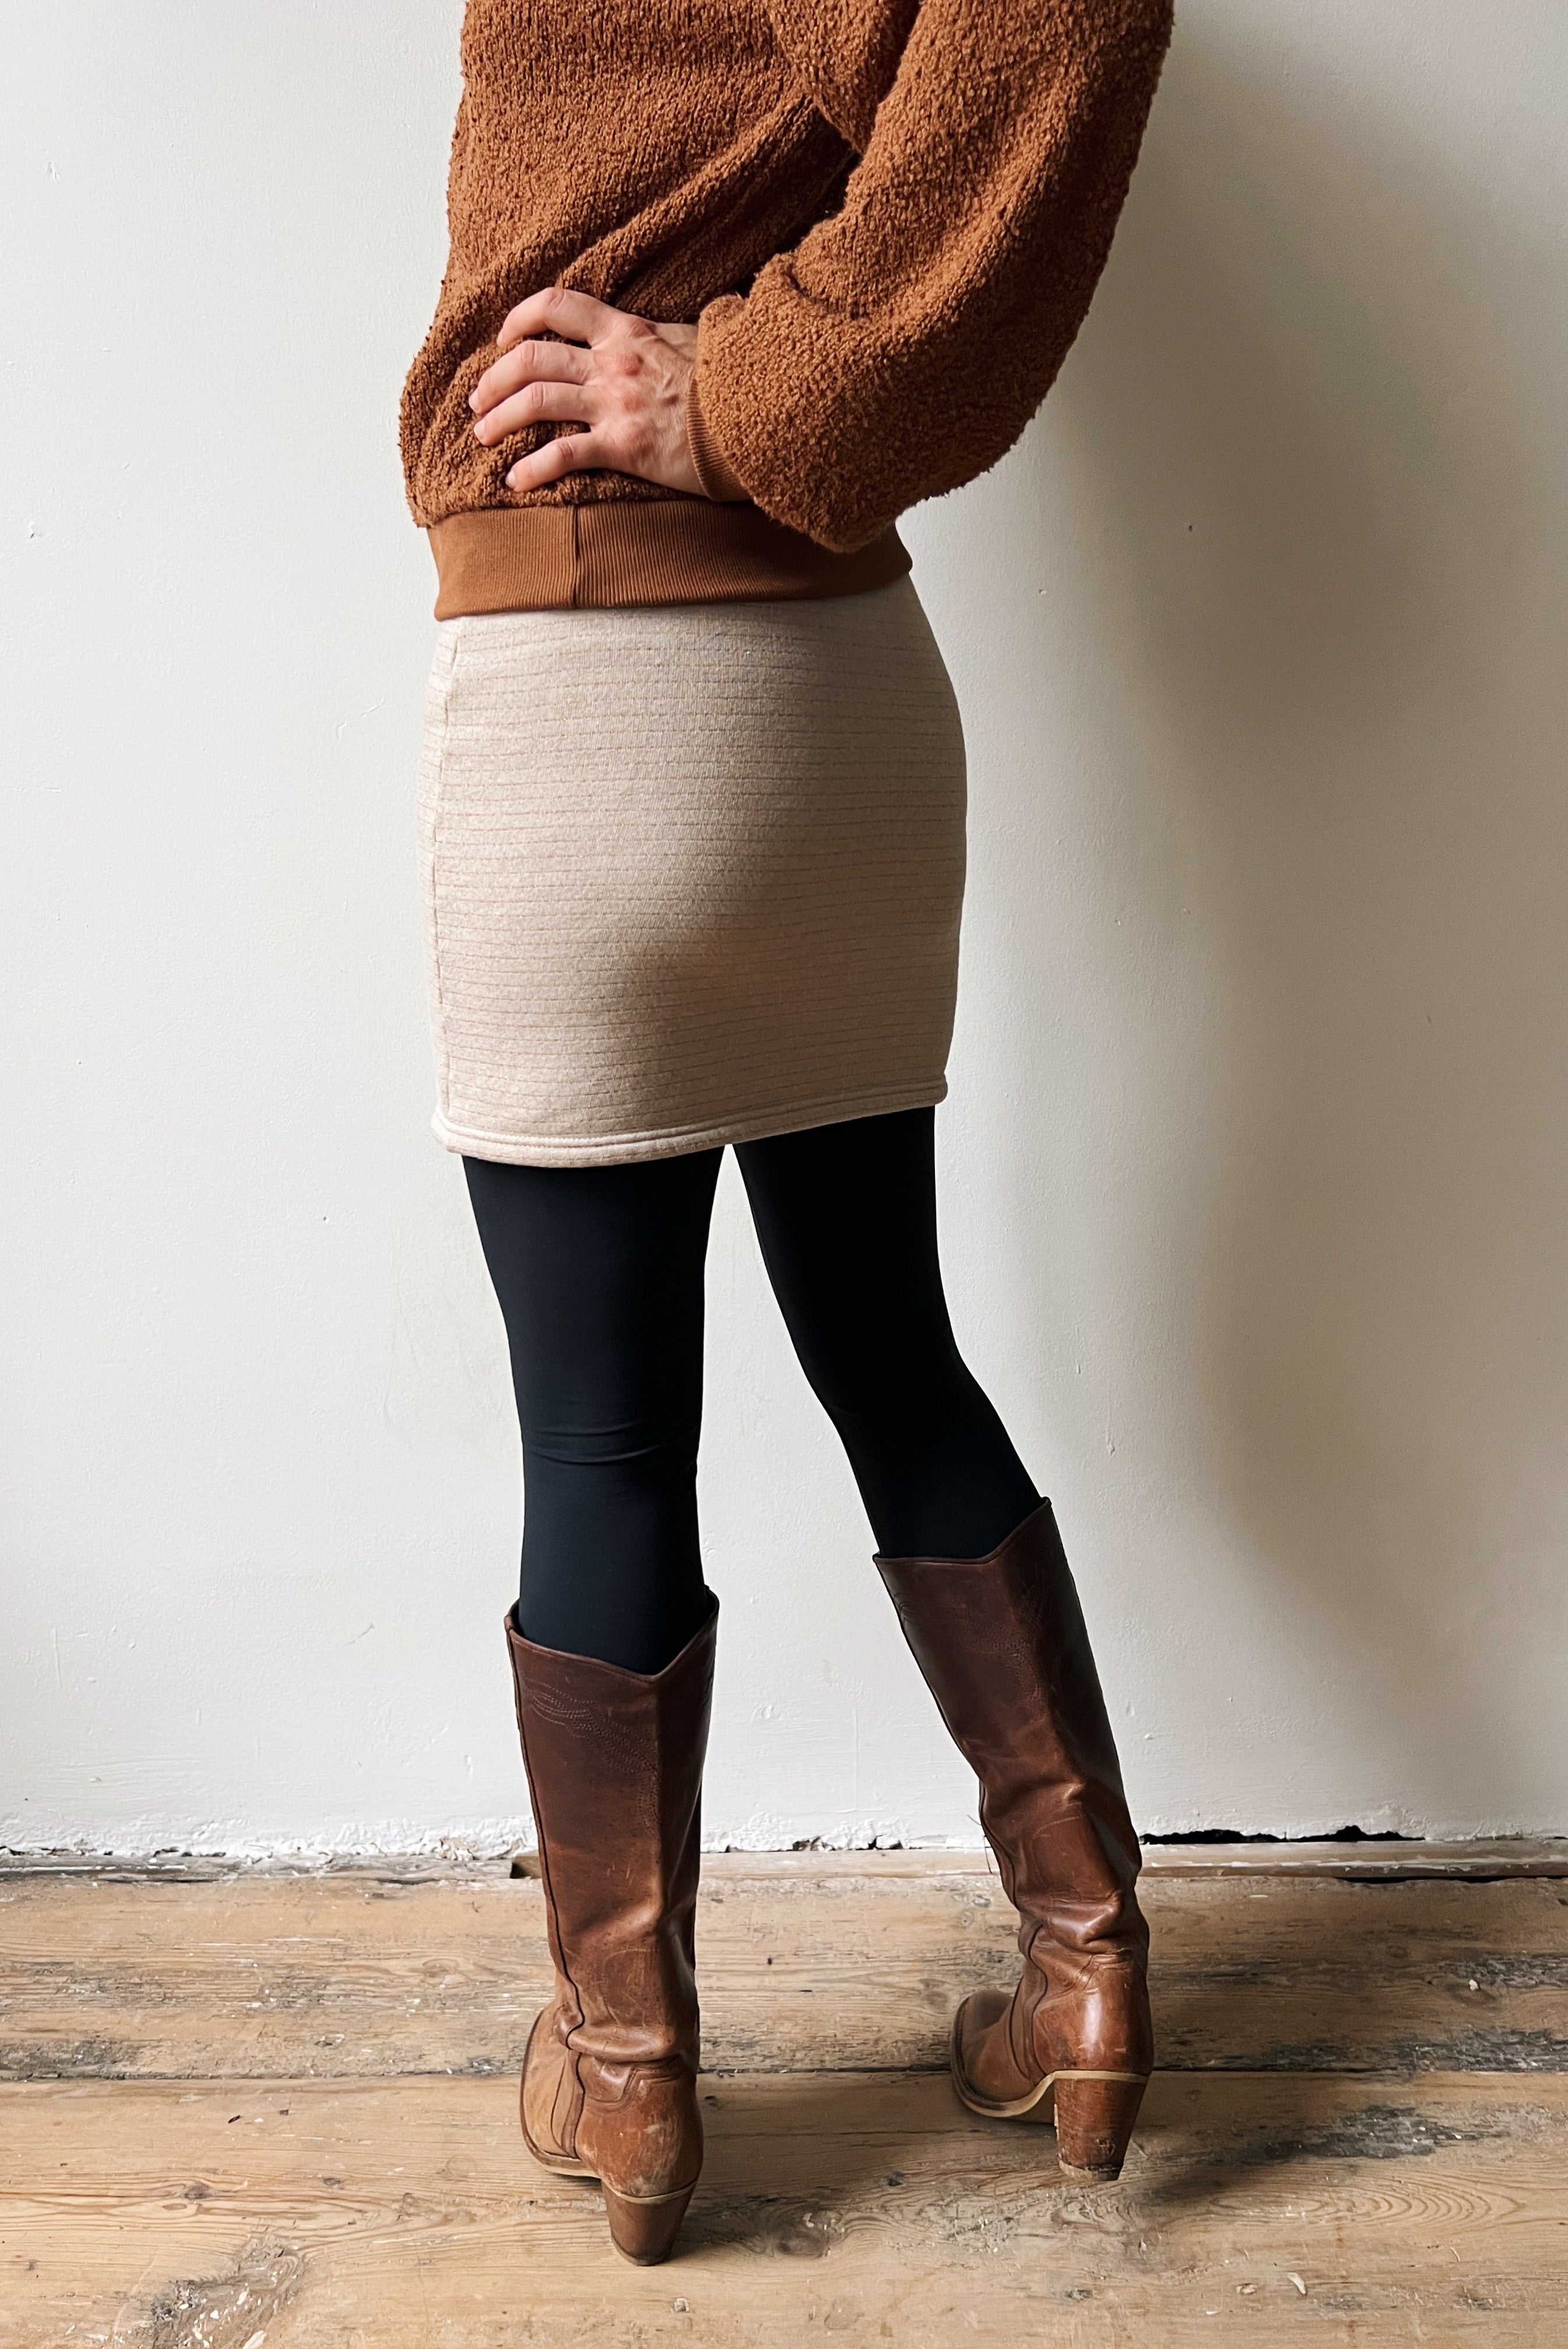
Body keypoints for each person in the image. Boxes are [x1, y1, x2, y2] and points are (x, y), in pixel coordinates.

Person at [401, 0, 1174, 2266]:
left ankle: (631, 2089)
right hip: (826, 710)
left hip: (579, 687)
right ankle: (1086, 1966)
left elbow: (1072, 14)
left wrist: (723, 391)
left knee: (605, 1441)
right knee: (890, 1349)